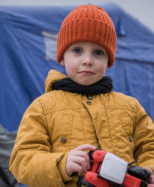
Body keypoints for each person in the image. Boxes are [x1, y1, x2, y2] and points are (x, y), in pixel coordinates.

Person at [9, 4, 154, 187]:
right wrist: (62, 164)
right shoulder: (42, 107)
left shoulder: (131, 107)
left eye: (98, 52)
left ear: (108, 60)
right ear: (62, 57)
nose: (87, 60)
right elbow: (22, 161)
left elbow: (150, 147)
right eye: (77, 50)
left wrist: (149, 171)